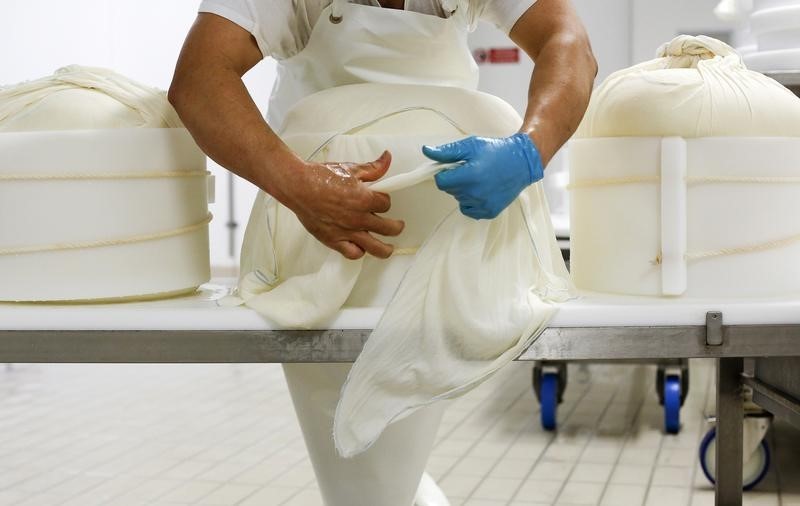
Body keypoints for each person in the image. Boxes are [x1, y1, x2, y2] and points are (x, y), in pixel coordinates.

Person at [169, 0, 596, 504]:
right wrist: (299, 184)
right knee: (353, 445)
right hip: (318, 231)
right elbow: (199, 79)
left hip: (451, 226)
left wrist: (529, 148)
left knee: (390, 454)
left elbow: (568, 42)